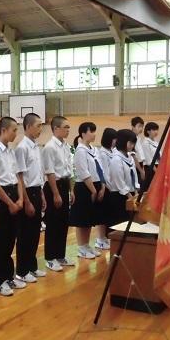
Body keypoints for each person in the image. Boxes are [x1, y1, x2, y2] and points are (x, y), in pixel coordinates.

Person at [0, 117, 25, 296]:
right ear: (3, 130)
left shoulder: (11, 151)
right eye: (14, 130)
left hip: (14, 194)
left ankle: (9, 276)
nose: (16, 133)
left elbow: (18, 177)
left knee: (11, 239)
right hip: (2, 197)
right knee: (1, 242)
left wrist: (20, 199)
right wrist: (9, 203)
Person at [14, 113, 46, 283]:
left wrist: (42, 194)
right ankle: (22, 270)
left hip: (36, 190)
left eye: (41, 125)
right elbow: (20, 176)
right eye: (38, 125)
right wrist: (26, 201)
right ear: (27, 127)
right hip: (27, 192)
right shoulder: (22, 148)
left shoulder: (35, 146)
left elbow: (37, 174)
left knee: (34, 233)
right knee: (25, 234)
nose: (41, 129)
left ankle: (32, 266)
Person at [42, 116, 75, 272]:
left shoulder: (66, 146)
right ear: (56, 128)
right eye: (65, 127)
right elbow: (50, 172)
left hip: (64, 185)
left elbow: (68, 170)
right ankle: (50, 258)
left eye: (69, 127)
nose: (68, 130)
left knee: (63, 222)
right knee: (53, 223)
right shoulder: (50, 147)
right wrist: (55, 194)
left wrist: (71, 190)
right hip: (53, 186)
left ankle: (60, 255)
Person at [69, 122, 104, 260]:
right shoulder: (80, 150)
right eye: (92, 131)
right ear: (83, 133)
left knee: (89, 219)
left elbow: (99, 168)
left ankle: (86, 245)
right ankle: (81, 247)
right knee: (82, 219)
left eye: (95, 131)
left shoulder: (94, 149)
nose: (94, 134)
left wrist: (101, 186)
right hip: (85, 187)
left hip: (95, 185)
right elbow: (83, 172)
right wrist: (93, 190)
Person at [108, 129, 140, 226]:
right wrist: (130, 197)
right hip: (120, 196)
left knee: (132, 225)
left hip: (131, 195)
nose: (132, 146)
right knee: (121, 225)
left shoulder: (129, 157)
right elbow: (119, 181)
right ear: (122, 142)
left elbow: (134, 175)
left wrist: (136, 192)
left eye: (133, 143)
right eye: (130, 143)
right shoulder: (116, 159)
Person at [96, 128, 117, 250]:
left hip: (113, 187)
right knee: (102, 214)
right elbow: (104, 173)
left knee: (108, 214)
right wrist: (110, 187)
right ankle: (100, 239)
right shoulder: (102, 153)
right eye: (114, 139)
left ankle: (104, 238)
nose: (115, 141)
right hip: (106, 187)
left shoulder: (112, 151)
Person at [141, 122, 160, 190]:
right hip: (151, 168)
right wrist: (157, 171)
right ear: (148, 131)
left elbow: (159, 156)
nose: (156, 132)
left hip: (158, 167)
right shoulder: (145, 143)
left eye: (157, 130)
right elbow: (149, 160)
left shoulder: (156, 142)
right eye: (154, 130)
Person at [131, 116, 147, 182]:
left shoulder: (138, 138)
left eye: (142, 126)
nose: (141, 129)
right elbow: (133, 156)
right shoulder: (131, 139)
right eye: (139, 126)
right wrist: (141, 171)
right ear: (133, 126)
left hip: (140, 165)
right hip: (136, 166)